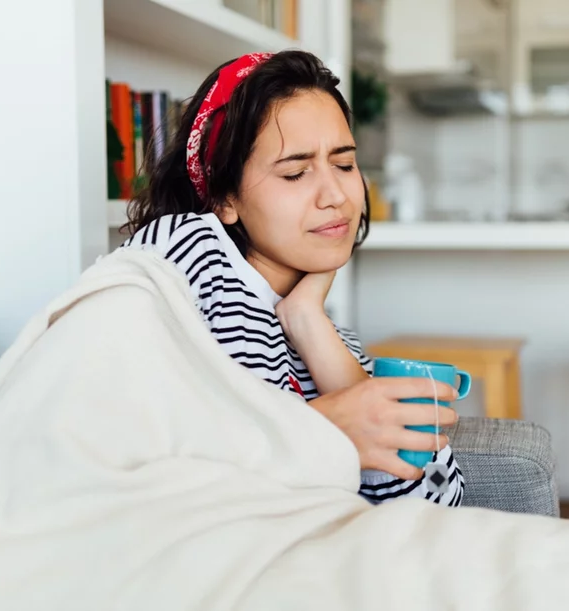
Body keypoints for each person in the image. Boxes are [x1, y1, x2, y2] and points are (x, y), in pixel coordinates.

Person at [119, 50, 463, 506]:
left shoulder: (322, 336)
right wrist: (322, 429)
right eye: (296, 173)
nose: (337, 195)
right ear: (225, 199)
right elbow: (159, 475)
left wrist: (307, 322)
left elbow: (435, 504)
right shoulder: (183, 249)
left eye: (344, 164)